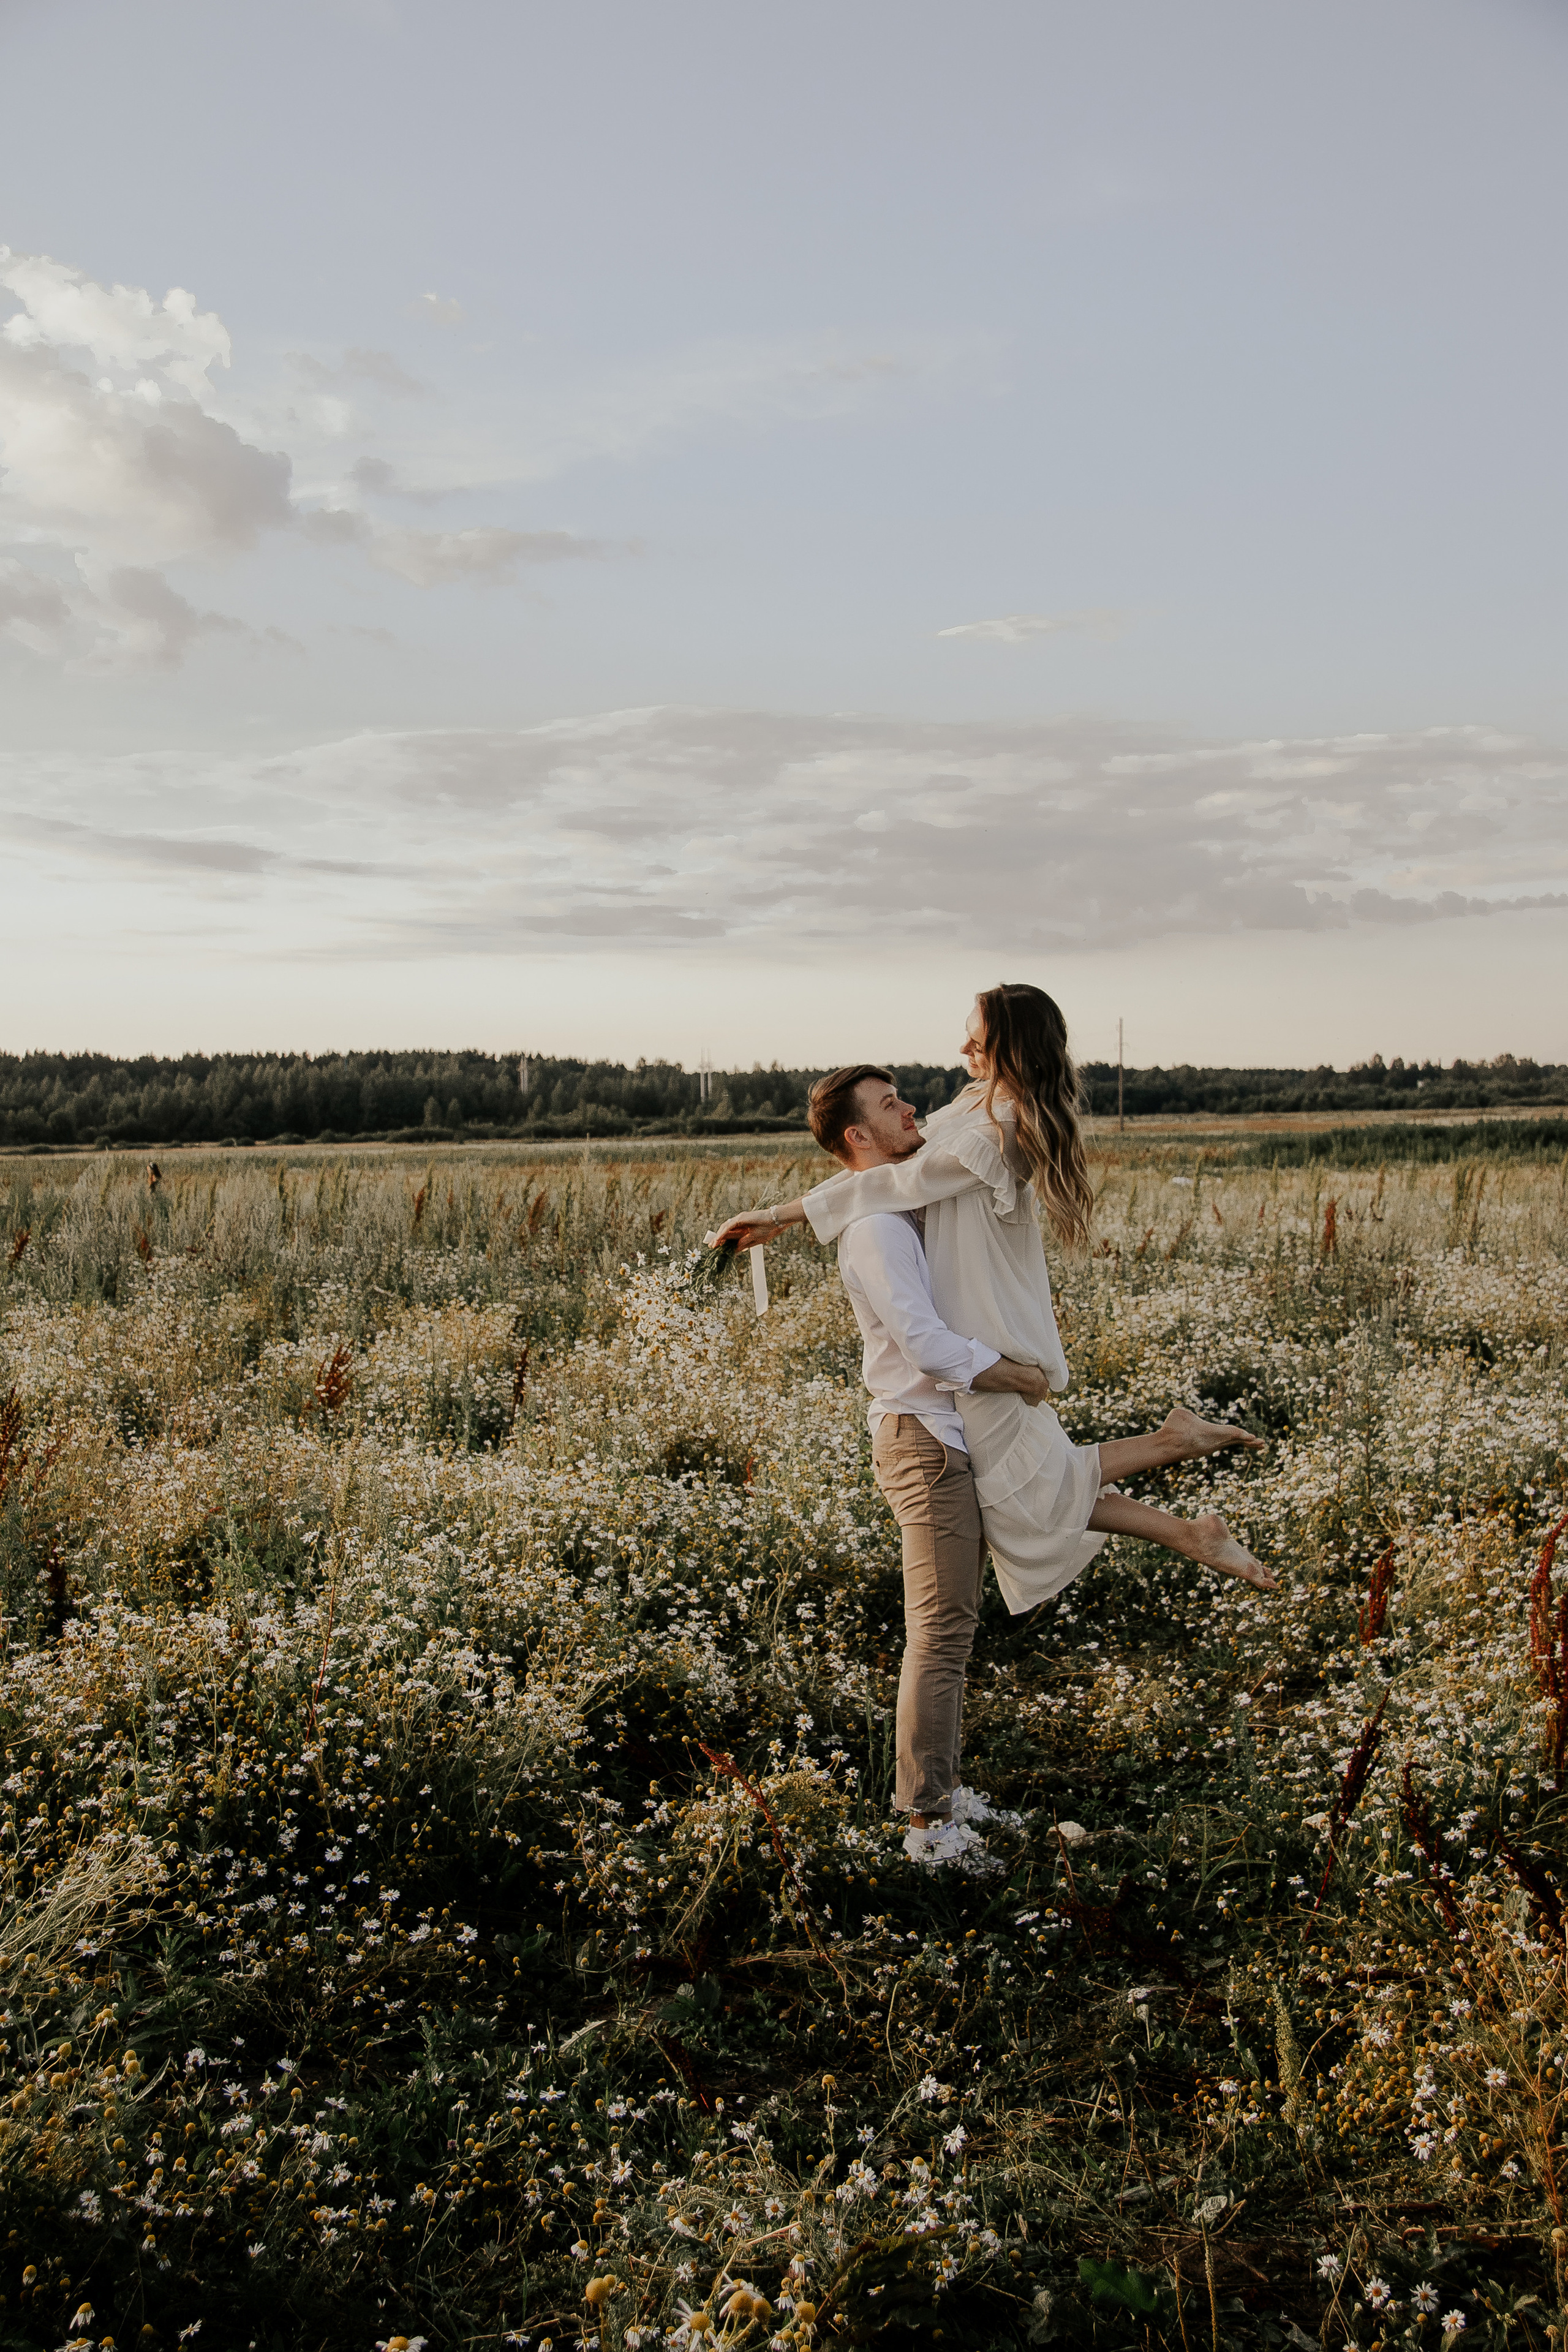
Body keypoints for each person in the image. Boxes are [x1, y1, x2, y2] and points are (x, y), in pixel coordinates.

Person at [712, 984, 1277, 1615]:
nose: (961, 1049)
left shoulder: (998, 1132)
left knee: (1020, 1489)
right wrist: (784, 1212)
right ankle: (1182, 1484)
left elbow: (899, 1178)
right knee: (1031, 1476)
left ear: (1009, 1047)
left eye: (975, 1040)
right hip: (978, 1314)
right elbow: (874, 1171)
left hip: (983, 1320)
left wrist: (782, 1214)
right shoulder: (979, 1102)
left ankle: (1179, 1474)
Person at [805, 1061, 1065, 1863]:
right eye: (890, 1104)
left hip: (942, 1436)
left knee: (953, 1627)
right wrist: (1016, 1373)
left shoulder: (905, 1198)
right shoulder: (879, 1226)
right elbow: (923, 1343)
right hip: (923, 1444)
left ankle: (943, 1793)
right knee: (941, 1634)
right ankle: (928, 1824)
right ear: (858, 1136)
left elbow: (964, 1116)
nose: (909, 1106)